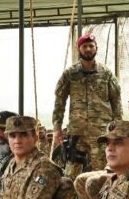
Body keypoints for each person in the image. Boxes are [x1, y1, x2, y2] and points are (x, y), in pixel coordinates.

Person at [52, 34, 122, 178]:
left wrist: (118, 126)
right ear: (79, 49)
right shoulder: (70, 74)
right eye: (84, 46)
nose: (88, 49)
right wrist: (57, 127)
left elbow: (116, 101)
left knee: (101, 173)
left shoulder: (106, 74)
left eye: (91, 46)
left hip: (100, 133)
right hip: (77, 132)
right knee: (71, 174)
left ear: (96, 48)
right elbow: (60, 100)